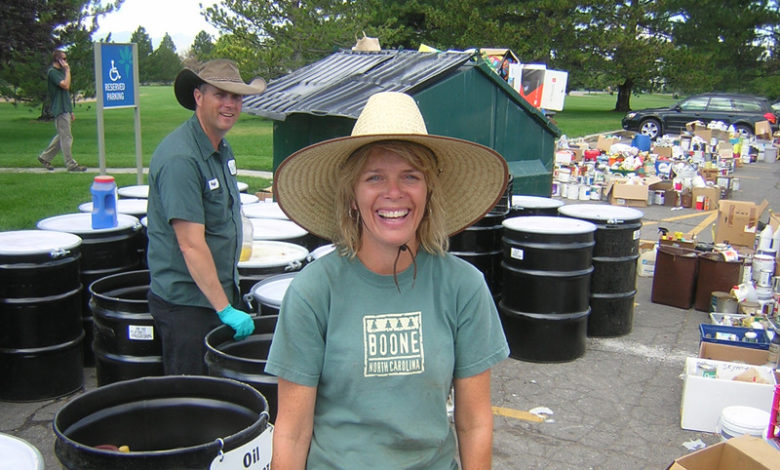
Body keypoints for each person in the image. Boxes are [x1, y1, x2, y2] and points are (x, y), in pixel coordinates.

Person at [266, 91, 511, 469]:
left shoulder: (464, 287)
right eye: (374, 177)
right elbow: (292, 431)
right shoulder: (314, 291)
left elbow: (475, 422)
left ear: (428, 193)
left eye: (410, 177)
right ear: (352, 196)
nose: (393, 193)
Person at [146, 59, 266, 375]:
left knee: (222, 400)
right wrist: (225, 308)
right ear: (199, 97)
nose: (229, 104)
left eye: (236, 97)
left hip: (217, 298)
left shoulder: (221, 149)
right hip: (188, 307)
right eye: (220, 95)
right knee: (192, 400)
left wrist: (228, 302)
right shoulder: (181, 159)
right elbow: (191, 245)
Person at [38, 49, 86, 172]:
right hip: (59, 108)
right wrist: (68, 70)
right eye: (63, 59)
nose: (66, 62)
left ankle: (45, 157)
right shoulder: (53, 72)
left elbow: (65, 93)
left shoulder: (60, 72)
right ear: (57, 60)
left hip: (65, 108)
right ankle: (71, 164)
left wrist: (71, 111)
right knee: (67, 137)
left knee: (62, 135)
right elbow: (65, 85)